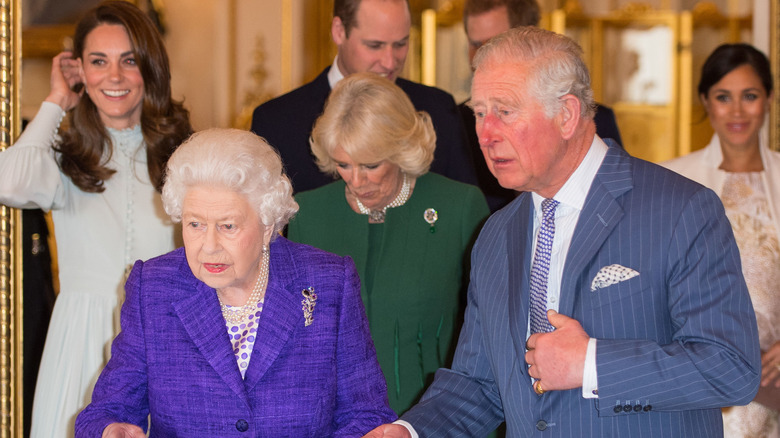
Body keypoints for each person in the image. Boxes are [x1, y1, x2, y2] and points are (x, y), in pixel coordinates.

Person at [364, 26, 760, 438]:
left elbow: (731, 367)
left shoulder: (680, 209)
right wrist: (409, 431)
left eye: (505, 110)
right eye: (479, 112)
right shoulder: (496, 235)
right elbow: (480, 384)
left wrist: (591, 364)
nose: (485, 133)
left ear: (567, 115)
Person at [75, 128, 396, 437]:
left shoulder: (327, 282)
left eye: (228, 226)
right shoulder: (154, 287)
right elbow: (106, 411)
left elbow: (366, 414)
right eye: (195, 224)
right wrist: (110, 430)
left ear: (268, 223)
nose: (209, 246)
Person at [0, 2, 193, 437]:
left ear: (150, 66)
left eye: (129, 60)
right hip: (79, 340)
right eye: (98, 62)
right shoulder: (64, 156)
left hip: (162, 338)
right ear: (80, 72)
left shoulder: (184, 153)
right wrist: (55, 100)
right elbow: (7, 182)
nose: (115, 76)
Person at [287, 73, 489, 415]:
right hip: (336, 420)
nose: (356, 180)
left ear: (401, 148)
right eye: (343, 164)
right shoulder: (307, 215)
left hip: (435, 418)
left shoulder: (459, 207)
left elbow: (488, 334)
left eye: (371, 164)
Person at [662, 43, 780, 438]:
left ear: (767, 99)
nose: (737, 111)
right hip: (701, 387)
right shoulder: (670, 180)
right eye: (723, 97)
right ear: (705, 101)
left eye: (750, 96)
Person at [252, 0, 477, 194]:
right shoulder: (275, 122)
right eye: (375, 45)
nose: (390, 62)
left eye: (400, 44)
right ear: (339, 31)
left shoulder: (439, 109)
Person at [461, 0, 623, 212]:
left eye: (494, 42)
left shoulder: (593, 119)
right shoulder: (457, 122)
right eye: (475, 45)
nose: (480, 57)